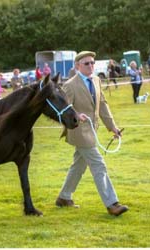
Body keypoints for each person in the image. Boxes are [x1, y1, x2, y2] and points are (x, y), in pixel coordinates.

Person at [57, 51, 128, 216]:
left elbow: (102, 105)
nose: (91, 66)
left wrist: (113, 127)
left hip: (92, 130)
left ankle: (64, 197)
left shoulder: (96, 80)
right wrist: (76, 115)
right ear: (77, 66)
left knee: (78, 166)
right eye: (86, 63)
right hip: (79, 132)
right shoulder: (70, 85)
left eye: (92, 63)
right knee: (99, 165)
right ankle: (112, 204)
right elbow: (63, 110)